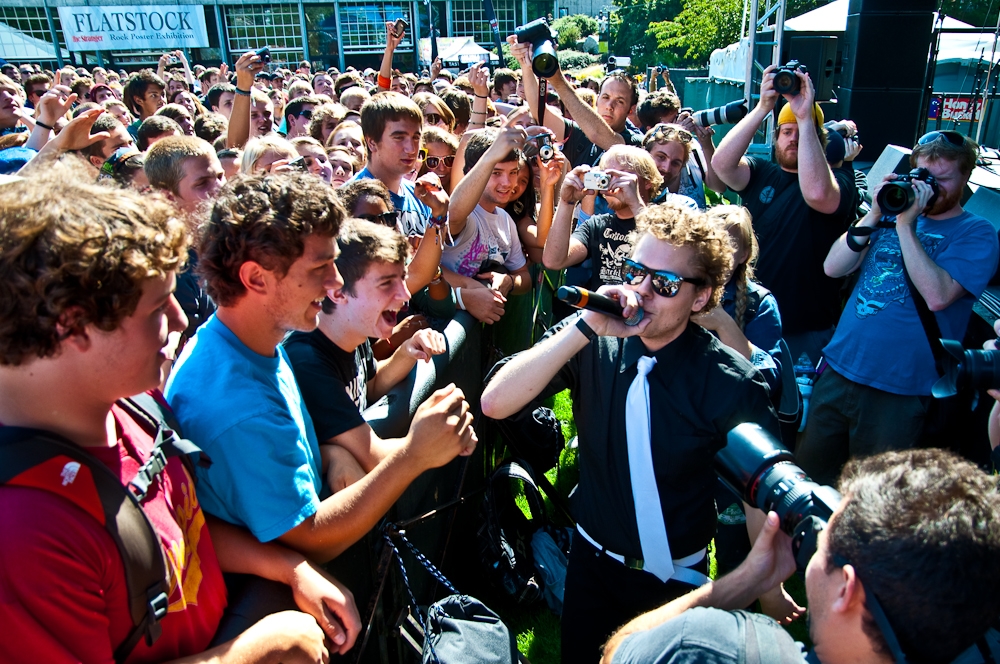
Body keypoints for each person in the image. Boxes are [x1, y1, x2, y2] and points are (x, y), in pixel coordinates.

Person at [0, 161, 360, 663]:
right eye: (156, 308)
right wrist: (256, 649)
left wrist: (285, 569)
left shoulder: (133, 404)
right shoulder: (24, 528)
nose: (178, 319)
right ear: (74, 326)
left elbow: (178, 523)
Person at [481, 203, 791, 664]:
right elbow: (495, 402)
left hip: (675, 580)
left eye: (664, 284)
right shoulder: (595, 340)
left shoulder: (732, 383)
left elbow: (755, 500)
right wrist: (585, 328)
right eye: (635, 272)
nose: (642, 292)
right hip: (590, 562)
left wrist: (770, 588)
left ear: (701, 297)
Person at [165, 172, 475, 563]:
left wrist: (328, 454)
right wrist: (414, 454)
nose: (335, 284)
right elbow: (313, 539)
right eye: (320, 268)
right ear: (255, 277)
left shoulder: (250, 344)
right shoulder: (240, 406)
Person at [602, 448, 1000, 664]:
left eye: (828, 534)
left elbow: (620, 653)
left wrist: (748, 580)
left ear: (847, 588)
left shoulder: (716, 649)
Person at [796, 130, 999, 485]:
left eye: (940, 179)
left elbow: (938, 296)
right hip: (841, 370)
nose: (928, 187)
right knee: (810, 482)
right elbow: (833, 267)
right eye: (921, 176)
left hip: (901, 390)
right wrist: (876, 212)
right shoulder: (891, 213)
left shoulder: (975, 233)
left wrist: (906, 226)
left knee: (872, 500)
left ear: (965, 177)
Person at [283, 218, 454, 492]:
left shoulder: (356, 331)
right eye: (387, 283)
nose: (406, 295)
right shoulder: (307, 361)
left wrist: (407, 352)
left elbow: (370, 386)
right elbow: (374, 458)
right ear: (338, 292)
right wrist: (431, 437)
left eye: (402, 278)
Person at [712, 65, 856, 366]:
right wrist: (763, 106)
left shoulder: (839, 180)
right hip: (748, 315)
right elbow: (722, 165)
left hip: (805, 328)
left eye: (801, 134)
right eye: (786, 132)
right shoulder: (763, 172)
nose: (792, 139)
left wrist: (806, 118)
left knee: (794, 410)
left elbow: (817, 194)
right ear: (775, 138)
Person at [543, 145, 668, 291]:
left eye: (622, 176)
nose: (613, 184)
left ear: (647, 182)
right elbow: (553, 261)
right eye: (606, 177)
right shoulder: (597, 225)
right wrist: (567, 202)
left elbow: (666, 258)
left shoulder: (664, 222)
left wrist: (635, 203)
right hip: (603, 311)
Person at [443, 125, 534, 323]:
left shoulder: (505, 219)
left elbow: (524, 278)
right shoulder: (465, 214)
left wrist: (509, 282)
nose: (508, 183)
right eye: (496, 172)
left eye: (513, 172)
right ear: (471, 171)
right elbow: (455, 215)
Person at [509, 37, 643, 168]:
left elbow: (598, 134)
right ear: (597, 100)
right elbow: (540, 112)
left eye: (619, 101)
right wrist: (525, 64)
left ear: (630, 110)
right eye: (605, 97)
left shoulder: (636, 143)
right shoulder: (580, 135)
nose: (609, 106)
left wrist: (558, 80)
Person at [643, 122, 725, 210]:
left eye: (675, 163)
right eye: (661, 157)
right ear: (644, 153)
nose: (666, 168)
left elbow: (719, 186)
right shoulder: (626, 192)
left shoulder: (685, 207)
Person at [122, 70, 166, 138]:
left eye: (163, 94)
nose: (162, 100)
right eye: (154, 95)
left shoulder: (174, 125)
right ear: (138, 100)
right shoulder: (132, 134)